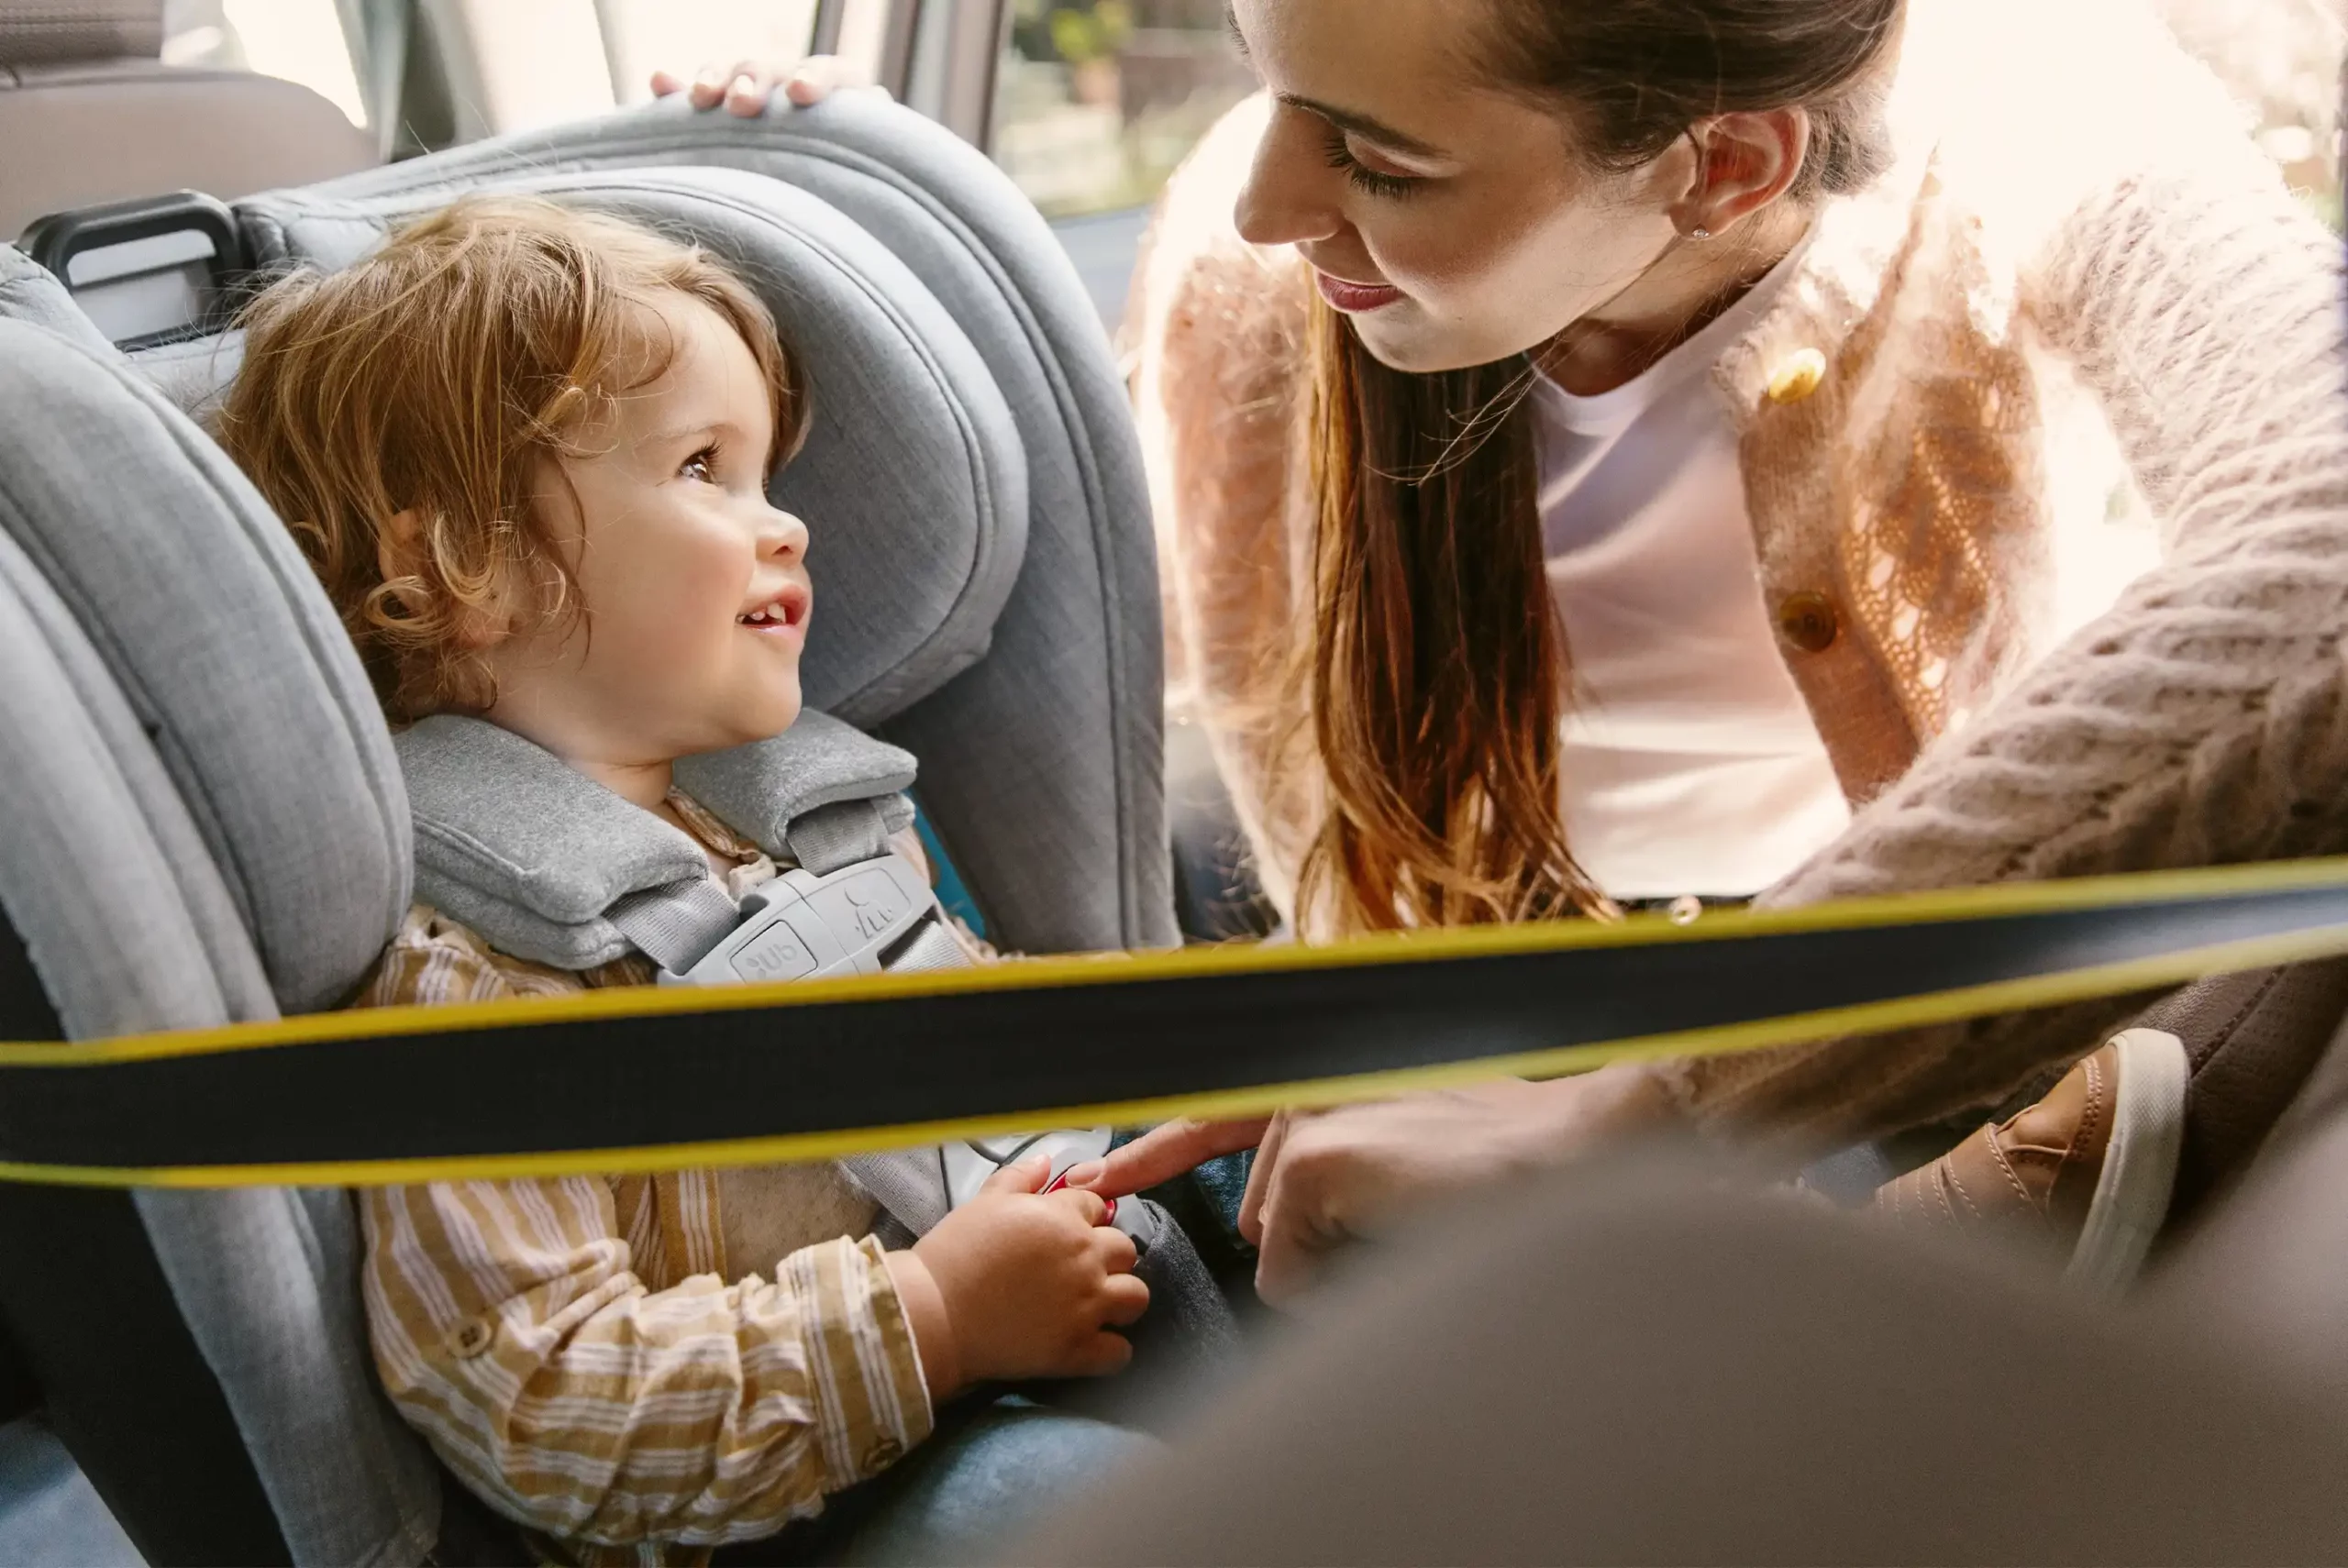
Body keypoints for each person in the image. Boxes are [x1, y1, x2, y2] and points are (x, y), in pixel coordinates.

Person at [664, 0, 2348, 1304]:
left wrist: (1659, 1097)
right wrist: (826, 244)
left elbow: (2325, 568)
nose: (1256, 207)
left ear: (1729, 162)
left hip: (1892, 1003)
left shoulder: (2052, 139)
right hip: (1458, 950)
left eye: (1381, 162)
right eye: (1265, 84)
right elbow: (993, 636)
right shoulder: (1273, 278)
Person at [215, 195, 1156, 1565]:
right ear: (472, 568)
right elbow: (541, 1401)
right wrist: (932, 1320)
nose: (787, 529)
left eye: (768, 475)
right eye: (706, 470)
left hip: (1016, 1310)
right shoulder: (475, 986)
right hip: (804, 1507)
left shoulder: (816, 826)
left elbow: (968, 1047)